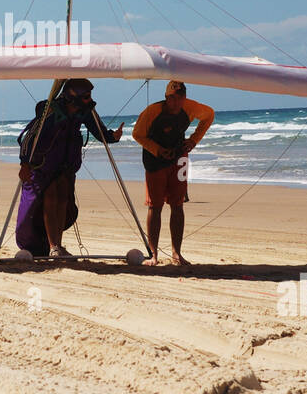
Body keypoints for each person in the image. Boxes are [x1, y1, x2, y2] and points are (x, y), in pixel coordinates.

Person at [16, 78, 123, 259]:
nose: (90, 101)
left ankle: (57, 244)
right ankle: (52, 246)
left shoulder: (85, 111)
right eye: (86, 97)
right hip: (44, 164)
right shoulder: (50, 112)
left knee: (63, 198)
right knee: (50, 197)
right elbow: (29, 137)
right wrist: (24, 163)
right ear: (73, 96)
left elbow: (99, 131)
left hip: (66, 164)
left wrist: (113, 136)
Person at [132, 81, 214, 266]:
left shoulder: (191, 107)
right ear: (166, 97)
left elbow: (209, 115)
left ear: (184, 97)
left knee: (177, 205)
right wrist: (158, 150)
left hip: (180, 158)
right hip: (155, 160)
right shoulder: (152, 111)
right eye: (171, 98)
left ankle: (177, 253)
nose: (175, 102)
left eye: (179, 98)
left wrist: (193, 140)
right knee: (155, 205)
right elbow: (137, 134)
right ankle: (153, 254)